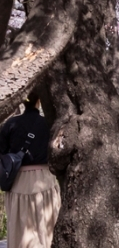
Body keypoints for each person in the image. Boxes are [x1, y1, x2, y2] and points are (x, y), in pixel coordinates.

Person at [0, 92, 60, 248]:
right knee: (45, 228)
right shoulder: (48, 123)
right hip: (44, 179)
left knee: (22, 228)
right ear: (39, 101)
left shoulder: (10, 124)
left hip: (18, 180)